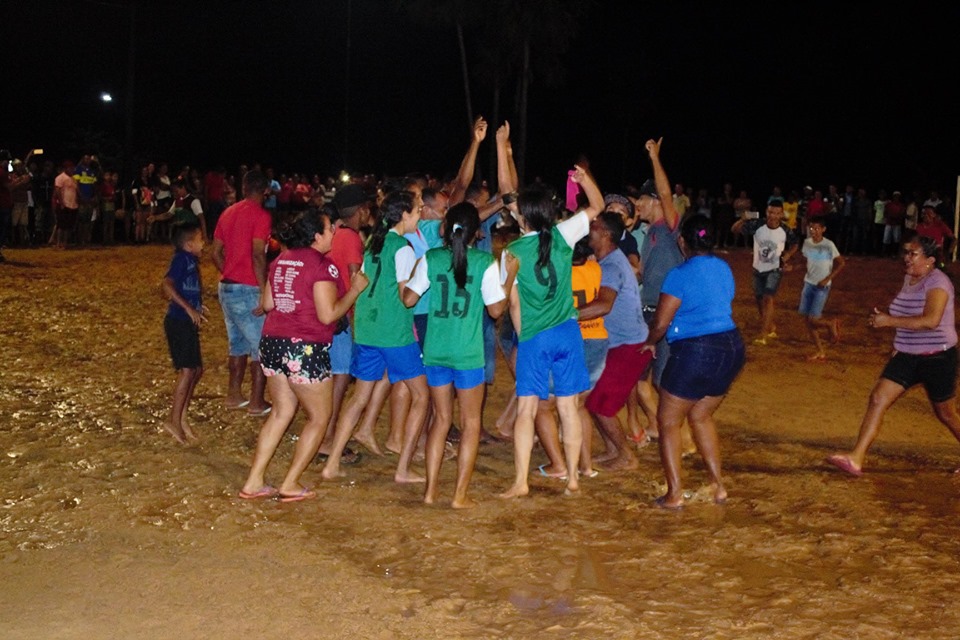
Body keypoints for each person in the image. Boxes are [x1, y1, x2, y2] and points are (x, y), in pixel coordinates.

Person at [239, 208, 369, 502]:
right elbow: (329, 315)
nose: (333, 233)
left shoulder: (281, 260)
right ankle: (291, 482)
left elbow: (269, 303)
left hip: (272, 342)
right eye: (328, 229)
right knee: (320, 417)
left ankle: (254, 481)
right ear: (316, 236)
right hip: (304, 347)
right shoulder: (323, 267)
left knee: (282, 412)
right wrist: (355, 291)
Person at [498, 146, 604, 499]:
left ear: (522, 218)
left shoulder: (512, 251)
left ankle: (521, 481)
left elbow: (506, 302)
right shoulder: (564, 235)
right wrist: (586, 181)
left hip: (534, 336)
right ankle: (573, 477)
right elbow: (597, 206)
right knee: (568, 407)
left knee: (527, 410)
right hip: (567, 333)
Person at [403, 202, 511, 508]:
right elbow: (496, 310)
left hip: (436, 350)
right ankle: (459, 495)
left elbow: (409, 298)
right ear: (478, 232)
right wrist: (509, 276)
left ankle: (430, 491)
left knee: (440, 420)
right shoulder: (483, 262)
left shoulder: (432, 258)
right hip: (467, 354)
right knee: (471, 423)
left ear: (445, 229)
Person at [826, 235, 960, 477]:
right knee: (878, 398)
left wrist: (888, 320)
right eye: (906, 252)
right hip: (908, 355)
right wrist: (898, 340)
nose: (906, 257)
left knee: (947, 414)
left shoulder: (938, 282)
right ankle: (856, 458)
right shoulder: (910, 278)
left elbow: (931, 321)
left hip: (937, 358)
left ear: (929, 260)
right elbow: (908, 314)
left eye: (913, 254)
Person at [320, 190, 430, 484]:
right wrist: (424, 275)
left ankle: (331, 463)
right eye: (417, 211)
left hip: (368, 331)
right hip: (394, 333)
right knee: (422, 395)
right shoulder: (403, 248)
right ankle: (403, 468)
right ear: (403, 215)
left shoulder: (373, 243)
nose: (419, 215)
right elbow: (406, 298)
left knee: (359, 398)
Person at [643, 214, 745, 509]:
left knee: (668, 422)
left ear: (682, 241)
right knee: (700, 416)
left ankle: (674, 494)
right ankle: (718, 486)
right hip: (732, 347)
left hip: (697, 350)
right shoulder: (724, 267)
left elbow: (661, 323)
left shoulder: (679, 274)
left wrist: (649, 341)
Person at [580, 211, 652, 471]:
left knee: (601, 404)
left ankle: (626, 455)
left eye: (594, 227)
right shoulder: (608, 261)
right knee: (594, 402)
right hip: (621, 343)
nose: (590, 229)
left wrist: (565, 316)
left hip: (628, 346)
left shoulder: (611, 266)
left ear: (607, 234)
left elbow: (603, 305)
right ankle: (613, 449)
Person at [211, 169, 273, 415]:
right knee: (261, 347)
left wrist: (229, 271)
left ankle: (234, 395)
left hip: (226, 286)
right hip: (248, 287)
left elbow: (215, 253)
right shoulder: (261, 215)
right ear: (265, 190)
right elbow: (258, 254)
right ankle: (257, 402)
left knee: (237, 345)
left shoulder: (228, 212)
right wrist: (262, 288)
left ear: (245, 188)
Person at [160, 222, 208, 444]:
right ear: (189, 245)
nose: (203, 244)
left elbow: (185, 288)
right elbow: (167, 285)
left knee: (196, 370)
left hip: (185, 321)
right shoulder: (182, 259)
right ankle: (173, 420)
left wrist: (196, 305)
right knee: (188, 371)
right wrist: (188, 308)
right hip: (178, 322)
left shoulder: (190, 260)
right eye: (200, 240)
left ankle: (182, 416)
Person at [731, 198, 799, 345]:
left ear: (781, 214)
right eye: (770, 212)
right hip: (758, 268)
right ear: (766, 212)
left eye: (776, 213)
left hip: (775, 269)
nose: (773, 216)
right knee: (759, 300)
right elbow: (734, 230)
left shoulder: (785, 229)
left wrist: (788, 255)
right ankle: (770, 326)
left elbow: (795, 244)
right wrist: (742, 220)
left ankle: (763, 334)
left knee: (768, 298)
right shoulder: (757, 225)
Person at [794, 219, 845, 361]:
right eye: (812, 228)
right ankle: (820, 351)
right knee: (808, 320)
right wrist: (793, 268)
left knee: (812, 319)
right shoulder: (807, 243)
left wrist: (827, 279)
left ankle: (830, 324)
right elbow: (806, 264)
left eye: (817, 228)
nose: (814, 231)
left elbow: (841, 263)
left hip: (822, 286)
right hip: (808, 283)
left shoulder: (829, 245)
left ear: (823, 229)